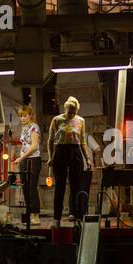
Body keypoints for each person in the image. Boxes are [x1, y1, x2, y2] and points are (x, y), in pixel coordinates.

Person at [47, 96, 92, 227]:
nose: (71, 114)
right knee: (60, 187)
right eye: (69, 112)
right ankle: (57, 219)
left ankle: (77, 217)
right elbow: (50, 140)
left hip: (75, 151)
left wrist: (87, 158)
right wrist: (51, 157)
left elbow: (82, 141)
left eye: (74, 112)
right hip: (61, 151)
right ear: (65, 109)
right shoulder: (57, 119)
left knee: (76, 186)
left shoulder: (80, 121)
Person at [12, 105, 42, 225]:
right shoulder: (24, 128)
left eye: (25, 115)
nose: (23, 118)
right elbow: (24, 146)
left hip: (33, 160)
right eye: (21, 116)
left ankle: (36, 215)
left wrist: (20, 158)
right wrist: (18, 158)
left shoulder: (34, 127)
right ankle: (29, 213)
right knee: (25, 187)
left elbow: (34, 146)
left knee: (32, 187)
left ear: (30, 115)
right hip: (24, 160)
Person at [77, 132, 101, 220]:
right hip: (86, 168)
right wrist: (93, 156)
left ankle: (74, 213)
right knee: (84, 191)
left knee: (74, 191)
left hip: (74, 168)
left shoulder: (70, 137)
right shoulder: (87, 137)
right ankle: (83, 213)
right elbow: (97, 149)